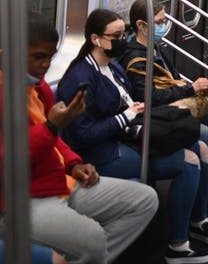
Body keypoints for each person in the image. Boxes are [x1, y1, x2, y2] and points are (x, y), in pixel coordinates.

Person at [56, 9, 208, 263]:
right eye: (117, 35)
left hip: (127, 136)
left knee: (201, 147)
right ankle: (178, 245)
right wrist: (126, 117)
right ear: (96, 39)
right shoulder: (81, 78)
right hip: (102, 152)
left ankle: (196, 220)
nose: (123, 40)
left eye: (125, 34)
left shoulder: (112, 68)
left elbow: (131, 101)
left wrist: (135, 114)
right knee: (189, 160)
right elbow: (83, 134)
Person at [0, 15, 158, 263]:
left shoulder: (38, 88)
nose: (46, 66)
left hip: (58, 180)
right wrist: (52, 126)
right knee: (94, 239)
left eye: (51, 57)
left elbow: (56, 142)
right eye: (39, 57)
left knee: (144, 200)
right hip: (20, 197)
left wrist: (74, 164)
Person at [119, 0, 208, 156]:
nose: (162, 27)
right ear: (141, 25)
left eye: (164, 22)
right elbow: (149, 97)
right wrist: (191, 89)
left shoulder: (158, 48)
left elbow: (174, 80)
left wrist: (197, 89)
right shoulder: (135, 59)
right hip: (158, 112)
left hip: (176, 104)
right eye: (159, 23)